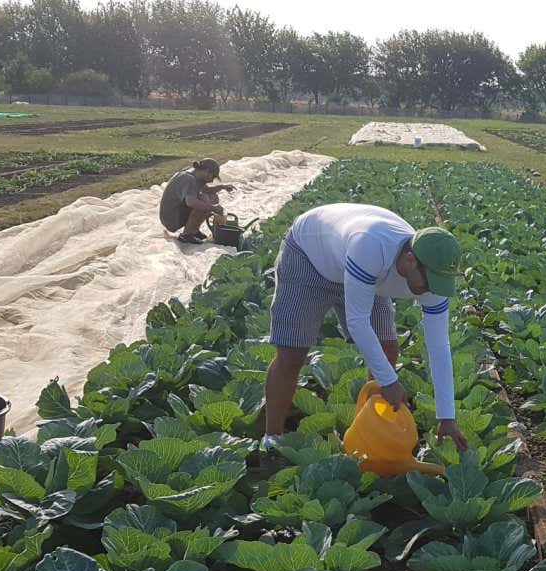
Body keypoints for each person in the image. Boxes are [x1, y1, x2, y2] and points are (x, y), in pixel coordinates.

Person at [262, 203, 469, 451]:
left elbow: (439, 346)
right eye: (430, 282)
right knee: (292, 354)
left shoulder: (433, 278)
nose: (432, 290)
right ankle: (272, 438)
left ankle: (365, 436)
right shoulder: (371, 248)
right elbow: (357, 321)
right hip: (310, 257)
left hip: (365, 273)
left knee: (387, 349)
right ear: (410, 260)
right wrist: (389, 382)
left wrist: (446, 416)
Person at [159, 158, 235, 244]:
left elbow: (207, 190)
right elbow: (191, 202)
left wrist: (222, 187)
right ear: (206, 171)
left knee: (210, 198)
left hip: (172, 215)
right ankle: (186, 235)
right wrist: (213, 208)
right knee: (204, 201)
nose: (212, 180)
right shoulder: (189, 179)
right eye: (213, 176)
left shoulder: (193, 176)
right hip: (171, 219)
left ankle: (194, 231)